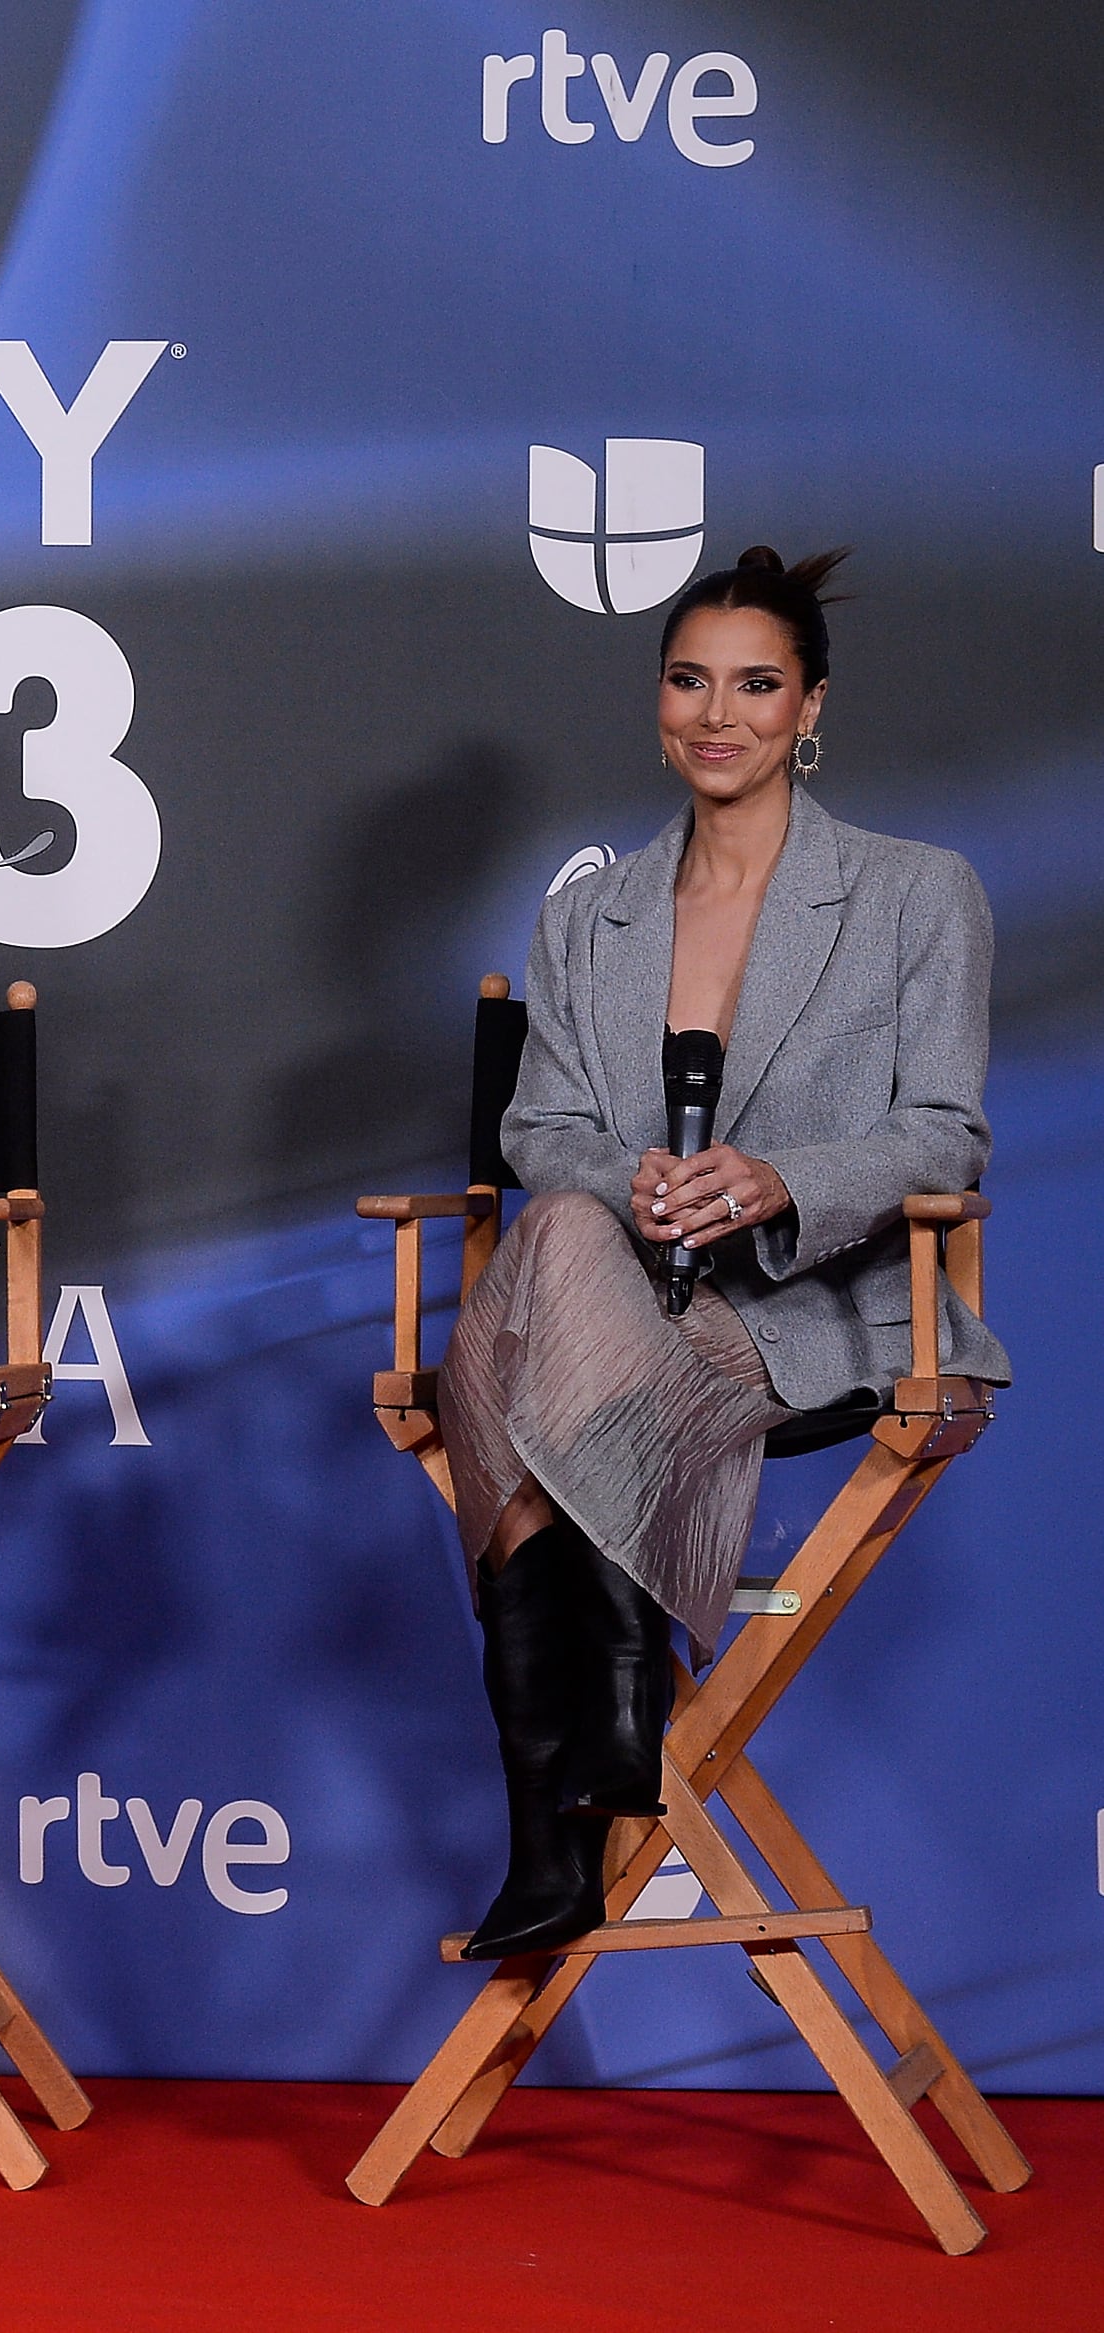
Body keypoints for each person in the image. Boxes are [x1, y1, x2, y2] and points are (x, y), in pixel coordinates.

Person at [443, 546, 1008, 1957]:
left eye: (757, 684)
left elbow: (945, 1133)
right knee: (565, 1220)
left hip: (817, 1313)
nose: (720, 712)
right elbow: (542, 1123)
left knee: (505, 1399)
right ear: (658, 702)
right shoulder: (593, 913)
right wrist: (630, 1183)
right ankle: (617, 1718)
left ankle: (549, 1827)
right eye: (691, 680)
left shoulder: (914, 894)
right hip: (617, 1288)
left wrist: (774, 1179)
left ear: (809, 706)